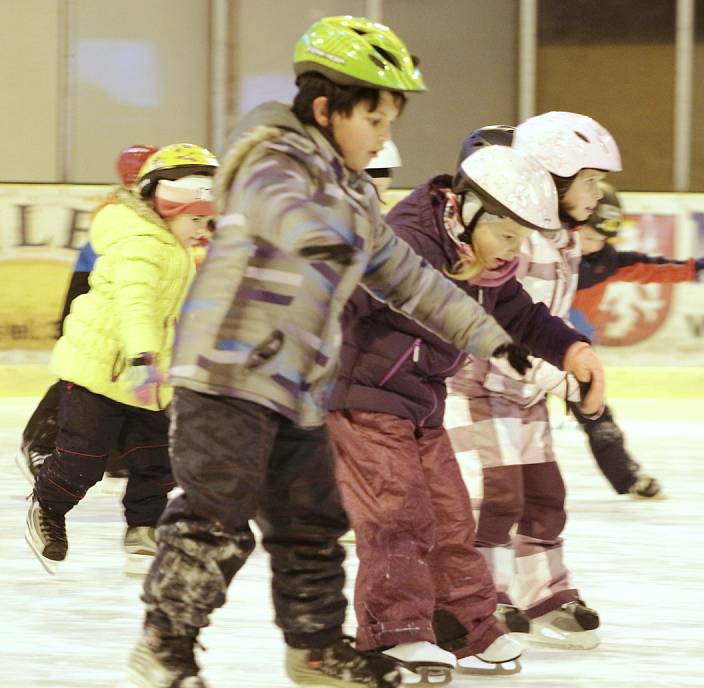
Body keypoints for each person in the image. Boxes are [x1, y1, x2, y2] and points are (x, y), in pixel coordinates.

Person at [123, 16, 556, 688]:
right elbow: (276, 205)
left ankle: (318, 651)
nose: (385, 138)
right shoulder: (265, 153)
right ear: (326, 109)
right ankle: (166, 644)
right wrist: (317, 239)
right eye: (376, 122)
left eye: (389, 124)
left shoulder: (355, 196)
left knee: (312, 524)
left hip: (300, 384)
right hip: (226, 373)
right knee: (217, 518)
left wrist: (494, 338)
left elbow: (412, 280)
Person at [326, 117, 607, 680]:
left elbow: (520, 313)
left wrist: (571, 348)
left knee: (450, 520)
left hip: (419, 403)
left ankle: (466, 627)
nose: (514, 250)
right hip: (364, 401)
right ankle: (392, 632)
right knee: (396, 517)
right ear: (474, 210)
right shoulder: (406, 241)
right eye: (508, 236)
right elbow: (341, 304)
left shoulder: (481, 253)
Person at [443, 112, 621, 651]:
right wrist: (563, 377)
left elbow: (550, 321)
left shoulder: (563, 241)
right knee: (496, 498)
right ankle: (483, 597)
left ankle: (544, 594)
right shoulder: (520, 239)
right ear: (555, 177)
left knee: (546, 494)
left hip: (525, 391)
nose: (599, 193)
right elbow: (500, 327)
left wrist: (568, 373)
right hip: (481, 388)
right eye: (590, 181)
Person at [24, 143, 218, 577]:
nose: (202, 229)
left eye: (206, 220)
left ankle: (143, 527)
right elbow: (137, 306)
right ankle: (48, 507)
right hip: (103, 370)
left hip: (148, 373)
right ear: (166, 206)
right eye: (195, 220)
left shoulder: (176, 242)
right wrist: (142, 358)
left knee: (157, 459)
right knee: (84, 457)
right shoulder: (142, 245)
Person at [569, 181, 704, 498]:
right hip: (530, 348)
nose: (593, 244)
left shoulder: (606, 261)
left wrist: (694, 268)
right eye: (587, 236)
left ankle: (629, 479)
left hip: (576, 356)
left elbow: (650, 268)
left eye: (601, 238)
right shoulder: (544, 253)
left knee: (599, 418)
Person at [15, 144, 159, 485]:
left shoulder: (147, 210)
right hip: (100, 292)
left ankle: (119, 452)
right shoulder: (120, 210)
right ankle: (41, 442)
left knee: (133, 376)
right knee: (85, 372)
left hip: (123, 294)